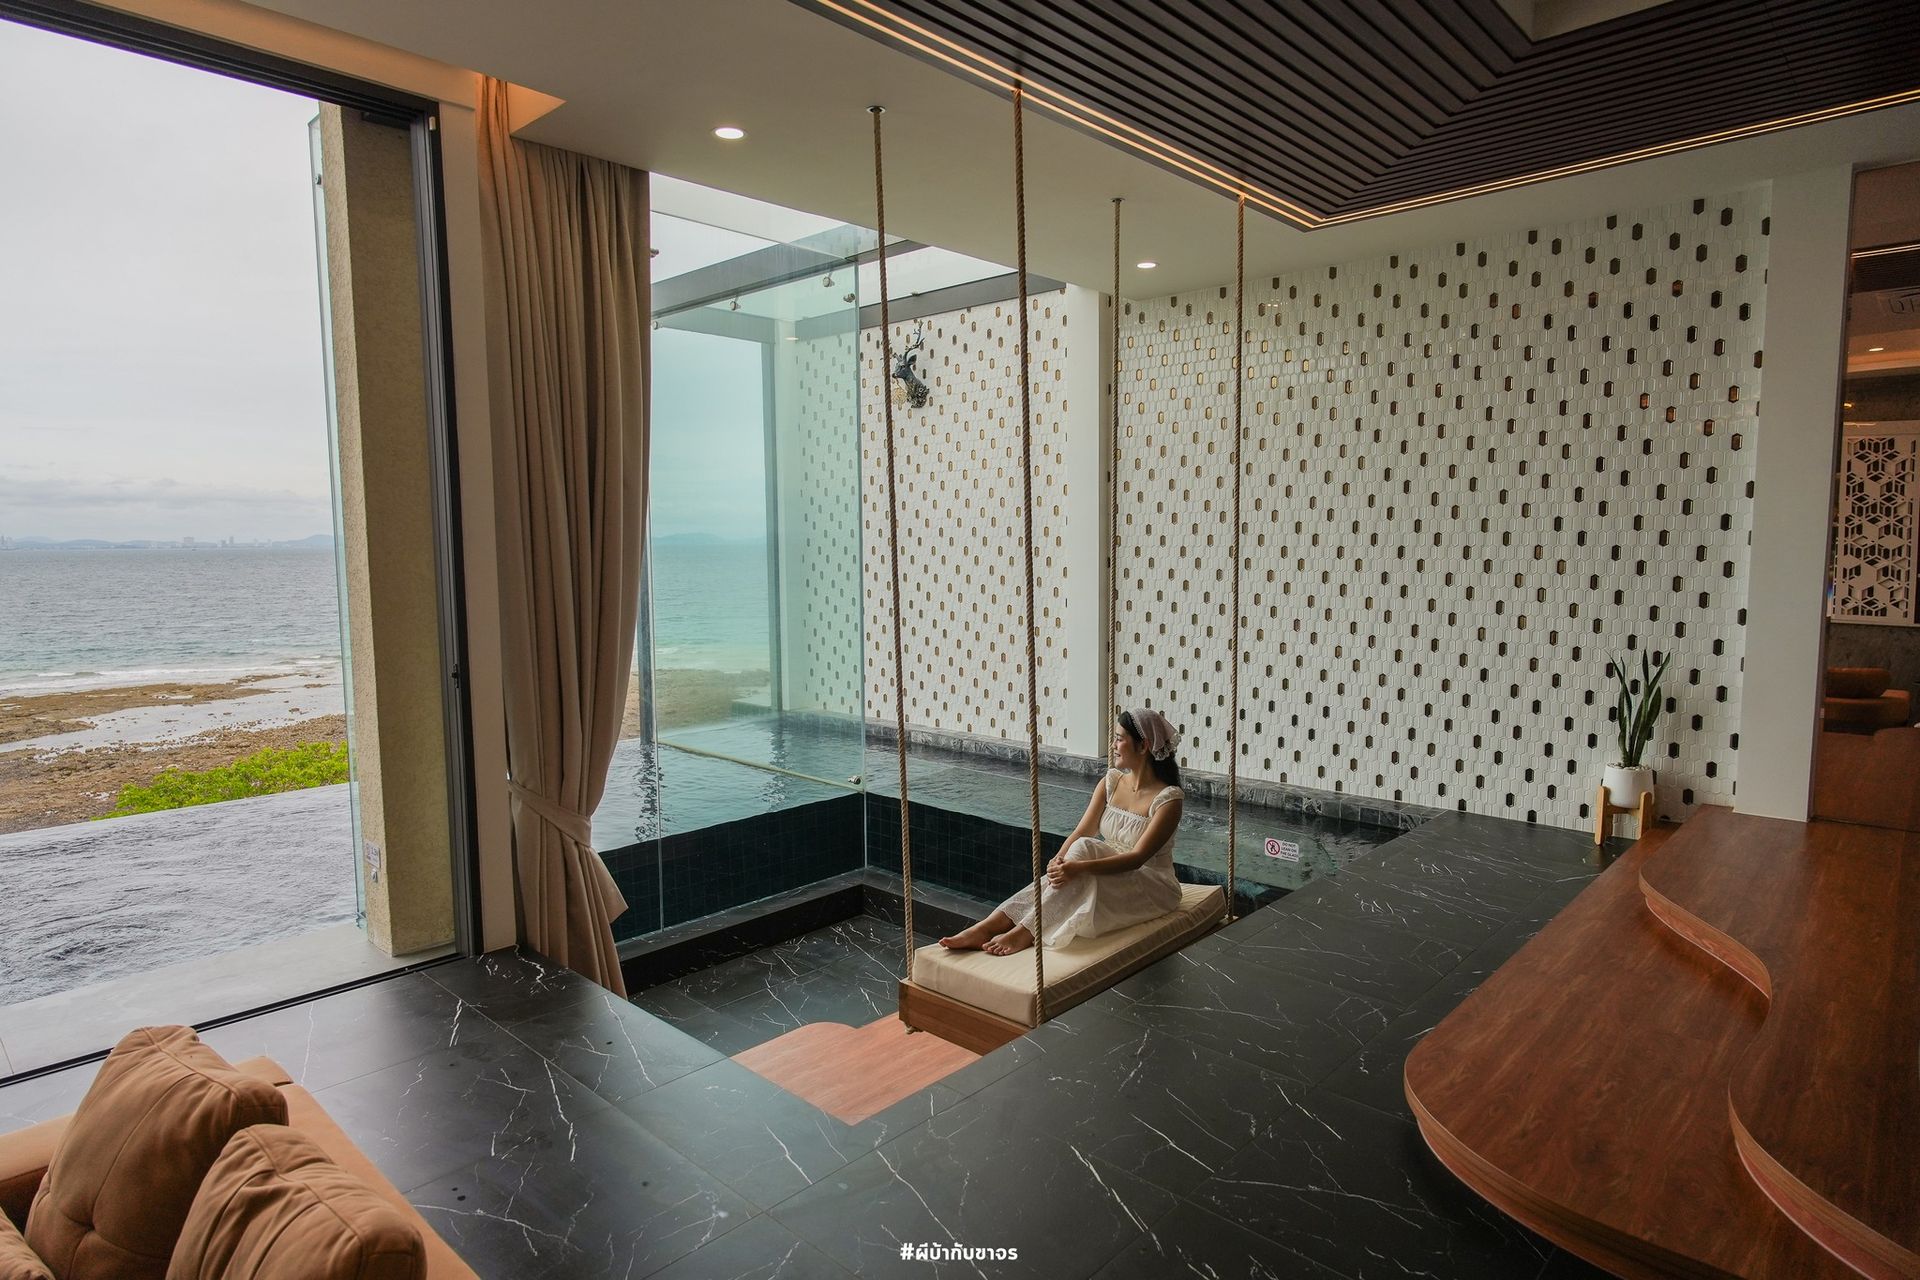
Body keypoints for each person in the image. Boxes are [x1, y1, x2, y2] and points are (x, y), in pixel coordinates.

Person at [938, 708, 1185, 956]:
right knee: (1072, 860)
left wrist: (1077, 867)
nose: (1113, 745)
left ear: (1143, 746)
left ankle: (1025, 931)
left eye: (1120, 738)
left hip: (1151, 885)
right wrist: (1058, 862)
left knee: (1083, 854)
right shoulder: (1111, 782)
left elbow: (1137, 858)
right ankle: (989, 925)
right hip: (1110, 868)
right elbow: (1081, 830)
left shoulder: (1168, 799)